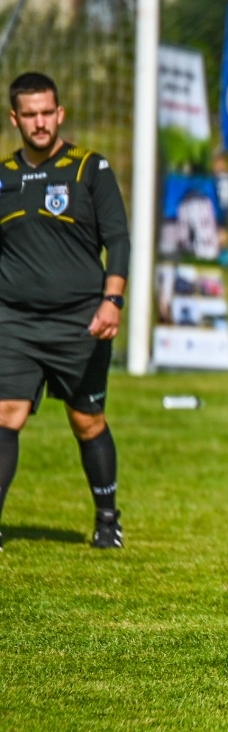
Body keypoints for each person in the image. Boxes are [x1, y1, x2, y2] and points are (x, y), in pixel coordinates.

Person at [0, 71, 130, 551]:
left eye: (46, 113)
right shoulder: (3, 177)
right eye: (29, 115)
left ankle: (107, 518)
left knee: (86, 420)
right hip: (14, 321)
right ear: (15, 119)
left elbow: (118, 240)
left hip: (82, 321)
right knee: (6, 413)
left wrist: (112, 301)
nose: (39, 123)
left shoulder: (90, 169)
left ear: (60, 114)